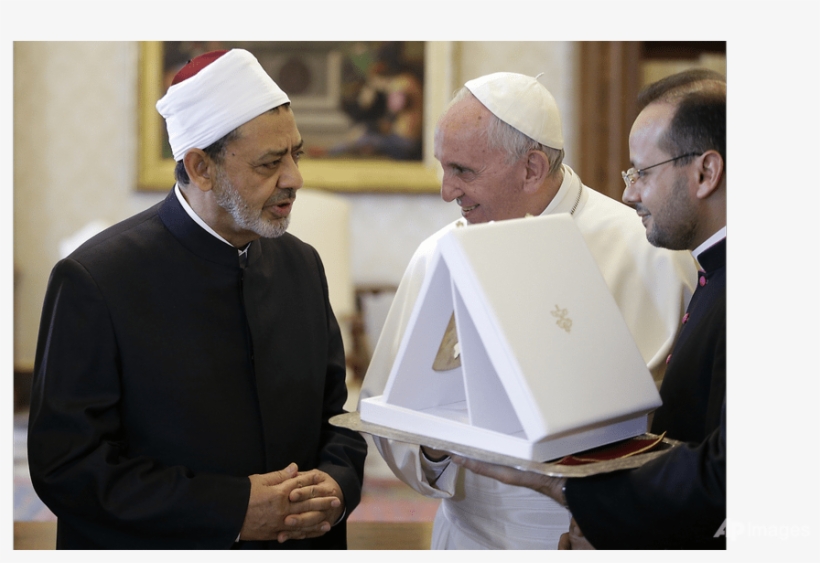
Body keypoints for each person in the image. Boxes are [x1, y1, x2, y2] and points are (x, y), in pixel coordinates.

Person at [27, 49, 367, 549]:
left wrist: (338, 484)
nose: (295, 178)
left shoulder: (302, 264)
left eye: (296, 153)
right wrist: (230, 510)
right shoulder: (94, 279)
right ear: (200, 167)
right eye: (271, 163)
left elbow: (336, 417)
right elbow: (68, 466)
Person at [358, 71, 699, 549]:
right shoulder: (437, 254)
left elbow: (685, 434)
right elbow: (389, 418)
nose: (446, 191)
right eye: (443, 167)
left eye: (462, 170)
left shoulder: (649, 251)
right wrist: (432, 447)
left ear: (532, 169)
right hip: (466, 538)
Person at [453, 69, 727, 549]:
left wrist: (564, 488)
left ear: (706, 173)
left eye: (642, 172)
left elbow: (727, 477)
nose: (629, 193)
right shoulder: (716, 270)